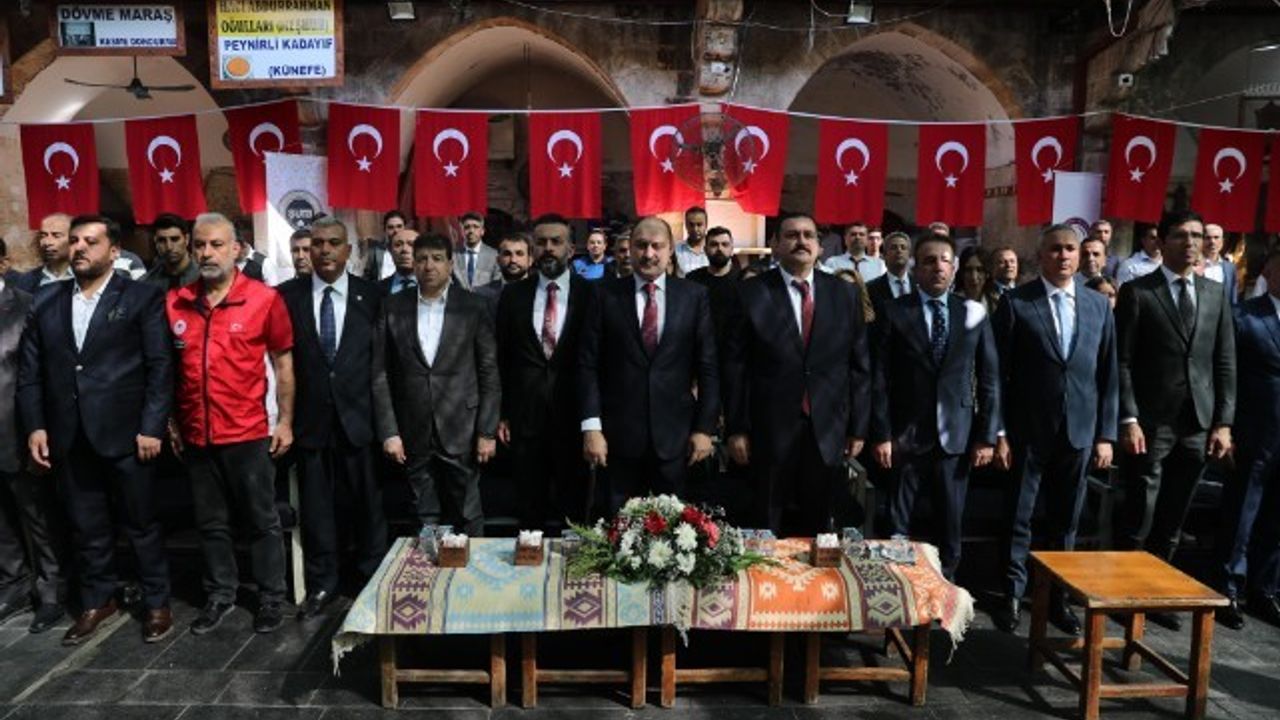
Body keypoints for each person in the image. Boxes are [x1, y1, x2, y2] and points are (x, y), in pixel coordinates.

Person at [18, 214, 173, 645]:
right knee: (87, 527)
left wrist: (152, 426)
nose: (80, 248)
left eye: (91, 241)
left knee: (141, 524)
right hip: (69, 434)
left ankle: (157, 602)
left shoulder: (141, 297)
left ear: (114, 250)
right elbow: (31, 373)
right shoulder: (46, 300)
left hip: (128, 435)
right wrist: (36, 426)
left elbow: (160, 366)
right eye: (75, 241)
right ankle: (98, 599)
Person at [167, 212, 294, 635]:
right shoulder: (177, 302)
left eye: (217, 245)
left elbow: (283, 364)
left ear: (236, 249)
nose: (207, 253)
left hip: (248, 432)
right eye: (200, 245)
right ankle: (220, 594)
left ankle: (271, 597)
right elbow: (169, 370)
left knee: (261, 520)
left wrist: (286, 421)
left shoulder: (263, 299)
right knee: (211, 524)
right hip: (197, 435)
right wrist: (172, 422)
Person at [991, 224, 1118, 635]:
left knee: (1066, 521)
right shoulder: (1016, 302)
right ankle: (1012, 594)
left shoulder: (1098, 306)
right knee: (1019, 516)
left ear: (1080, 255)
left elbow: (1109, 373)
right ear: (1040, 255)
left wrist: (1106, 434)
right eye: (1055, 249)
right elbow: (997, 375)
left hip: (1079, 431)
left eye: (1070, 249)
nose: (1063, 256)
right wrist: (999, 432)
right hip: (1027, 430)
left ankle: (1057, 599)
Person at [1115, 209, 1236, 632]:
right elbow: (1122, 362)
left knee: (1173, 516)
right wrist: (1128, 417)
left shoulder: (1215, 294)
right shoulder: (1138, 292)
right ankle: (1123, 594)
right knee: (1140, 512)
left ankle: (1154, 593)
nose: (1191, 243)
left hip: (1197, 422)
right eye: (1182, 235)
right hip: (1150, 421)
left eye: (1197, 236)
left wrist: (1223, 422)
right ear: (1162, 240)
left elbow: (1224, 361)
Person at [724, 212, 869, 534]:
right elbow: (735, 367)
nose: (801, 241)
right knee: (765, 526)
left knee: (822, 529)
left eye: (808, 235)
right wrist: (736, 428)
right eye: (791, 235)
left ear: (820, 246)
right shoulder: (751, 293)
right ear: (775, 245)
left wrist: (858, 428)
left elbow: (859, 365)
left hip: (827, 429)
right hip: (768, 430)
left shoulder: (844, 294)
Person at [871, 233, 998, 580]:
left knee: (950, 525)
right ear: (916, 269)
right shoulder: (894, 312)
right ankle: (896, 588)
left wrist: (987, 436)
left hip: (956, 436)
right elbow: (878, 379)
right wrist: (881, 433)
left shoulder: (973, 313)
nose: (937, 267)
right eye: (929, 261)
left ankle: (947, 590)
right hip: (905, 436)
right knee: (897, 524)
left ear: (954, 268)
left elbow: (989, 379)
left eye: (944, 260)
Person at [277, 217, 385, 620]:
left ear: (348, 250)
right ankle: (323, 582)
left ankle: (372, 578)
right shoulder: (285, 297)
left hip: (361, 420)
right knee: (317, 509)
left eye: (333, 243)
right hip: (310, 420)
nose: (324, 250)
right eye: (317, 243)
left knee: (368, 506)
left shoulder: (372, 296)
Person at [578, 216, 718, 513]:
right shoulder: (604, 295)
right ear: (629, 248)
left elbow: (707, 367)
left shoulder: (694, 296)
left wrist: (704, 428)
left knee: (675, 530)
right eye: (641, 245)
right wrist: (591, 427)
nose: (649, 253)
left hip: (677, 440)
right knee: (613, 529)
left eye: (657, 246)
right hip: (615, 440)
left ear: (671, 250)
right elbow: (587, 365)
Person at [373, 233, 499, 536]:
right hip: (412, 429)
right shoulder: (392, 307)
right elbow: (380, 373)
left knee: (468, 513)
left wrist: (486, 431)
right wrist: (389, 432)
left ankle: (471, 567)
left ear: (450, 264)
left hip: (462, 428)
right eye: (422, 259)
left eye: (437, 259)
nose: (429, 266)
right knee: (422, 516)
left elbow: (489, 372)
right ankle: (427, 567)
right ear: (413, 264)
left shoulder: (472, 306)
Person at [496, 216, 591, 529]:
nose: (548, 248)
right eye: (541, 242)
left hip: (574, 417)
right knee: (529, 509)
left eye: (556, 242)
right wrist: (502, 413)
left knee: (574, 512)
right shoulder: (513, 295)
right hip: (526, 418)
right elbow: (502, 357)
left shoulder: (592, 295)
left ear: (571, 249)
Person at [0, 239, 67, 634]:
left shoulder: (26, 306)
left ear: (3, 263)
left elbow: (39, 374)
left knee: (38, 516)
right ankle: (14, 584)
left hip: (17, 429)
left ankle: (52, 589)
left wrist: (38, 428)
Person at [1214, 249, 1280, 630]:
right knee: (1241, 513)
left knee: (1276, 518)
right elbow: (1227, 375)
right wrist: (1225, 426)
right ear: (1269, 269)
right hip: (1253, 432)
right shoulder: (1244, 316)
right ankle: (1228, 588)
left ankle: (1264, 588)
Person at [685, 226, 741, 349]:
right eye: (714, 244)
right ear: (705, 250)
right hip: (700, 349)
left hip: (734, 350)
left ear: (732, 249)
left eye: (725, 244)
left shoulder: (742, 281)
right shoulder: (692, 280)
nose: (719, 249)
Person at [14, 214, 74, 294]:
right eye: (43, 236)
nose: (47, 242)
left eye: (56, 236)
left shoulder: (87, 278)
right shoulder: (27, 280)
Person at [141, 213, 200, 291]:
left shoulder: (203, 278)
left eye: (175, 239)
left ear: (186, 239)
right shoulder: (147, 282)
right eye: (162, 240)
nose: (169, 247)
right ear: (155, 242)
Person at [865, 231, 914, 317]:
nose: (899, 250)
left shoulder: (921, 285)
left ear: (909, 255)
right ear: (884, 255)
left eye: (903, 247)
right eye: (894, 247)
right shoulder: (870, 289)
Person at [452, 212, 501, 290]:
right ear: (462, 231)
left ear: (482, 231)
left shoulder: (494, 255)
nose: (471, 231)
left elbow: (497, 284)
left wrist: (476, 292)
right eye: (467, 227)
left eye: (475, 227)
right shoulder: (453, 255)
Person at [362, 211, 405, 283]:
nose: (396, 231)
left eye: (399, 226)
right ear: (385, 230)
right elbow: (367, 277)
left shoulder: (412, 251)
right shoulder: (376, 250)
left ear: (405, 228)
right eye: (391, 227)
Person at [1201, 223, 1239, 305]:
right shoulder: (1193, 265)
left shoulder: (1230, 268)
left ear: (1222, 241)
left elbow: (1233, 299)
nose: (1212, 241)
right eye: (1208, 238)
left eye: (1216, 237)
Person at [957, 246, 997, 315]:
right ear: (962, 273)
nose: (974, 277)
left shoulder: (996, 304)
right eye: (968, 270)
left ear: (987, 274)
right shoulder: (950, 303)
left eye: (979, 270)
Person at [380, 229, 419, 296]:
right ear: (390, 251)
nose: (404, 249)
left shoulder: (435, 287)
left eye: (411, 244)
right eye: (398, 245)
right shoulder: (377, 289)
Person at [674, 206, 710, 276]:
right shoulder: (677, 250)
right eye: (691, 225)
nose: (695, 229)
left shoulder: (713, 249)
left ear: (706, 225)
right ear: (686, 225)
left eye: (699, 225)